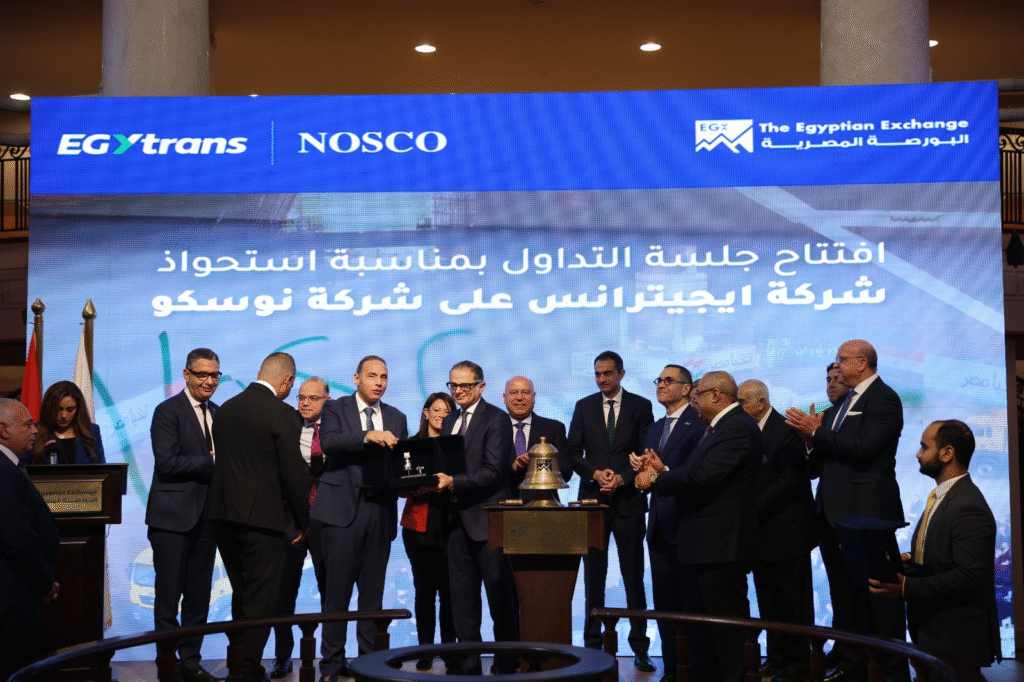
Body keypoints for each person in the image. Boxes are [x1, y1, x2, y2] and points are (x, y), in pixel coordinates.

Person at [786, 340, 906, 682]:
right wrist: (811, 442)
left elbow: (865, 448)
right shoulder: (842, 403)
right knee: (843, 596)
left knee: (876, 597)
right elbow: (825, 459)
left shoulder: (884, 398)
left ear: (862, 363)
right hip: (832, 513)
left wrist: (817, 433)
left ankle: (889, 671)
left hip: (866, 513)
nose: (836, 366)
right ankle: (850, 665)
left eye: (841, 359)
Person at [636, 371, 762, 682]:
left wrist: (657, 478)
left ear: (717, 396)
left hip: (722, 545)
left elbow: (704, 477)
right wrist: (664, 471)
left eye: (699, 395)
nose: (694, 401)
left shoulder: (736, 428)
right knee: (711, 630)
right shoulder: (721, 427)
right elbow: (699, 472)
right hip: (709, 544)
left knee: (727, 630)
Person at [869, 420, 1000, 682]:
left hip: (956, 638)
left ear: (947, 453)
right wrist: (905, 559)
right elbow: (940, 554)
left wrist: (906, 587)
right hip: (936, 631)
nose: (918, 454)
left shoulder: (968, 505)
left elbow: (970, 575)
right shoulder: (944, 496)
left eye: (924, 447)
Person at [207, 352, 310, 682]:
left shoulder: (225, 410)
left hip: (222, 517)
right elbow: (295, 474)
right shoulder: (283, 414)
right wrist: (304, 522)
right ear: (287, 382)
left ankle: (237, 666)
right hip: (261, 522)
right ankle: (247, 671)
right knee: (261, 601)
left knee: (242, 597)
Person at [313, 356, 408, 682]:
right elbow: (330, 443)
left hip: (379, 511)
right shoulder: (335, 408)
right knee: (336, 596)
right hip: (341, 513)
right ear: (357, 378)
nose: (379, 382)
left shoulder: (397, 417)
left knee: (372, 599)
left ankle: (369, 666)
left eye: (384, 376)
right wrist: (369, 436)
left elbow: (400, 464)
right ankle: (331, 666)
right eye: (372, 376)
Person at [567, 350, 654, 669]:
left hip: (629, 501)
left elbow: (647, 454)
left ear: (621, 374)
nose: (602, 379)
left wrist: (622, 478)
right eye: (597, 374)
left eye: (607, 373)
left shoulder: (641, 406)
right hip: (593, 502)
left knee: (634, 577)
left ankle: (640, 647)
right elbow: (572, 451)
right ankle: (592, 647)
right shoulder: (583, 406)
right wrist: (594, 473)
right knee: (593, 578)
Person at [433, 360, 520, 675]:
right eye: (453, 385)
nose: (458, 391)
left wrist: (452, 482)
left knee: (500, 600)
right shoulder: (449, 421)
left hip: (487, 522)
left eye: (464, 385)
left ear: (481, 387)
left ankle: (507, 664)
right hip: (455, 523)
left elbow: (494, 472)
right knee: (462, 604)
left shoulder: (496, 419)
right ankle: (469, 667)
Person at [146, 348, 222, 682]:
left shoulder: (219, 413)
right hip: (172, 521)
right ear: (186, 375)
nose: (209, 381)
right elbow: (167, 462)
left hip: (208, 519)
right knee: (168, 598)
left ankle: (190, 665)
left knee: (198, 598)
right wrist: (213, 462)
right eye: (202, 374)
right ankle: (167, 667)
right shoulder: (167, 411)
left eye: (214, 375)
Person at [630, 365, 706, 682]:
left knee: (691, 606)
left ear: (687, 389)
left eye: (668, 380)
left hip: (687, 526)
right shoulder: (656, 427)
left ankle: (695, 671)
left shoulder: (699, 424)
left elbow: (697, 475)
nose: (661, 385)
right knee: (664, 607)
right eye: (659, 380)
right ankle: (672, 669)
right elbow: (650, 476)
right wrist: (641, 471)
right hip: (658, 527)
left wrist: (661, 470)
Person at [738, 380, 815, 682]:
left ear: (760, 402)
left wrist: (751, 506)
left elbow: (791, 481)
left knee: (793, 603)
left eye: (742, 402)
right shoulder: (746, 430)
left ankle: (799, 664)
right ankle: (776, 658)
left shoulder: (785, 431)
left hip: (788, 533)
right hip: (760, 535)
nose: (738, 408)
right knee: (768, 602)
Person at [272, 377, 331, 679]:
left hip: (326, 520)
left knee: (330, 591)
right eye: (301, 397)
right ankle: (282, 656)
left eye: (313, 398)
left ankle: (333, 657)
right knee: (283, 593)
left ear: (327, 401)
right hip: (291, 521)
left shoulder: (337, 428)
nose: (305, 403)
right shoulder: (288, 426)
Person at [0, 399, 60, 682]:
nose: (35, 430)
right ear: (3, 430)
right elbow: (18, 539)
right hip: (12, 599)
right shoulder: (4, 471)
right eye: (27, 425)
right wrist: (44, 582)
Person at [402, 392, 457, 671]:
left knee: (450, 593)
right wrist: (415, 488)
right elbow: (397, 485)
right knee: (424, 591)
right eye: (436, 410)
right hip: (419, 525)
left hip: (452, 523)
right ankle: (425, 651)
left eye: (447, 411)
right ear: (426, 413)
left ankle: (449, 652)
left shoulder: (457, 445)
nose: (441, 416)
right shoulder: (411, 445)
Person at [505, 376, 571, 503]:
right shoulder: (493, 428)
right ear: (504, 398)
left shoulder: (554, 428)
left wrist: (536, 464)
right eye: (513, 393)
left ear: (533, 397)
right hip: (501, 505)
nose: (519, 398)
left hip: (543, 505)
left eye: (525, 392)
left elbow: (566, 472)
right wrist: (512, 468)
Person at [26, 380, 104, 465]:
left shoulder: (92, 431)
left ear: (78, 408)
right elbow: (22, 467)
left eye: (70, 410)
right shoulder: (34, 430)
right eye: (58, 409)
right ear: (49, 407)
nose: (63, 415)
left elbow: (101, 469)